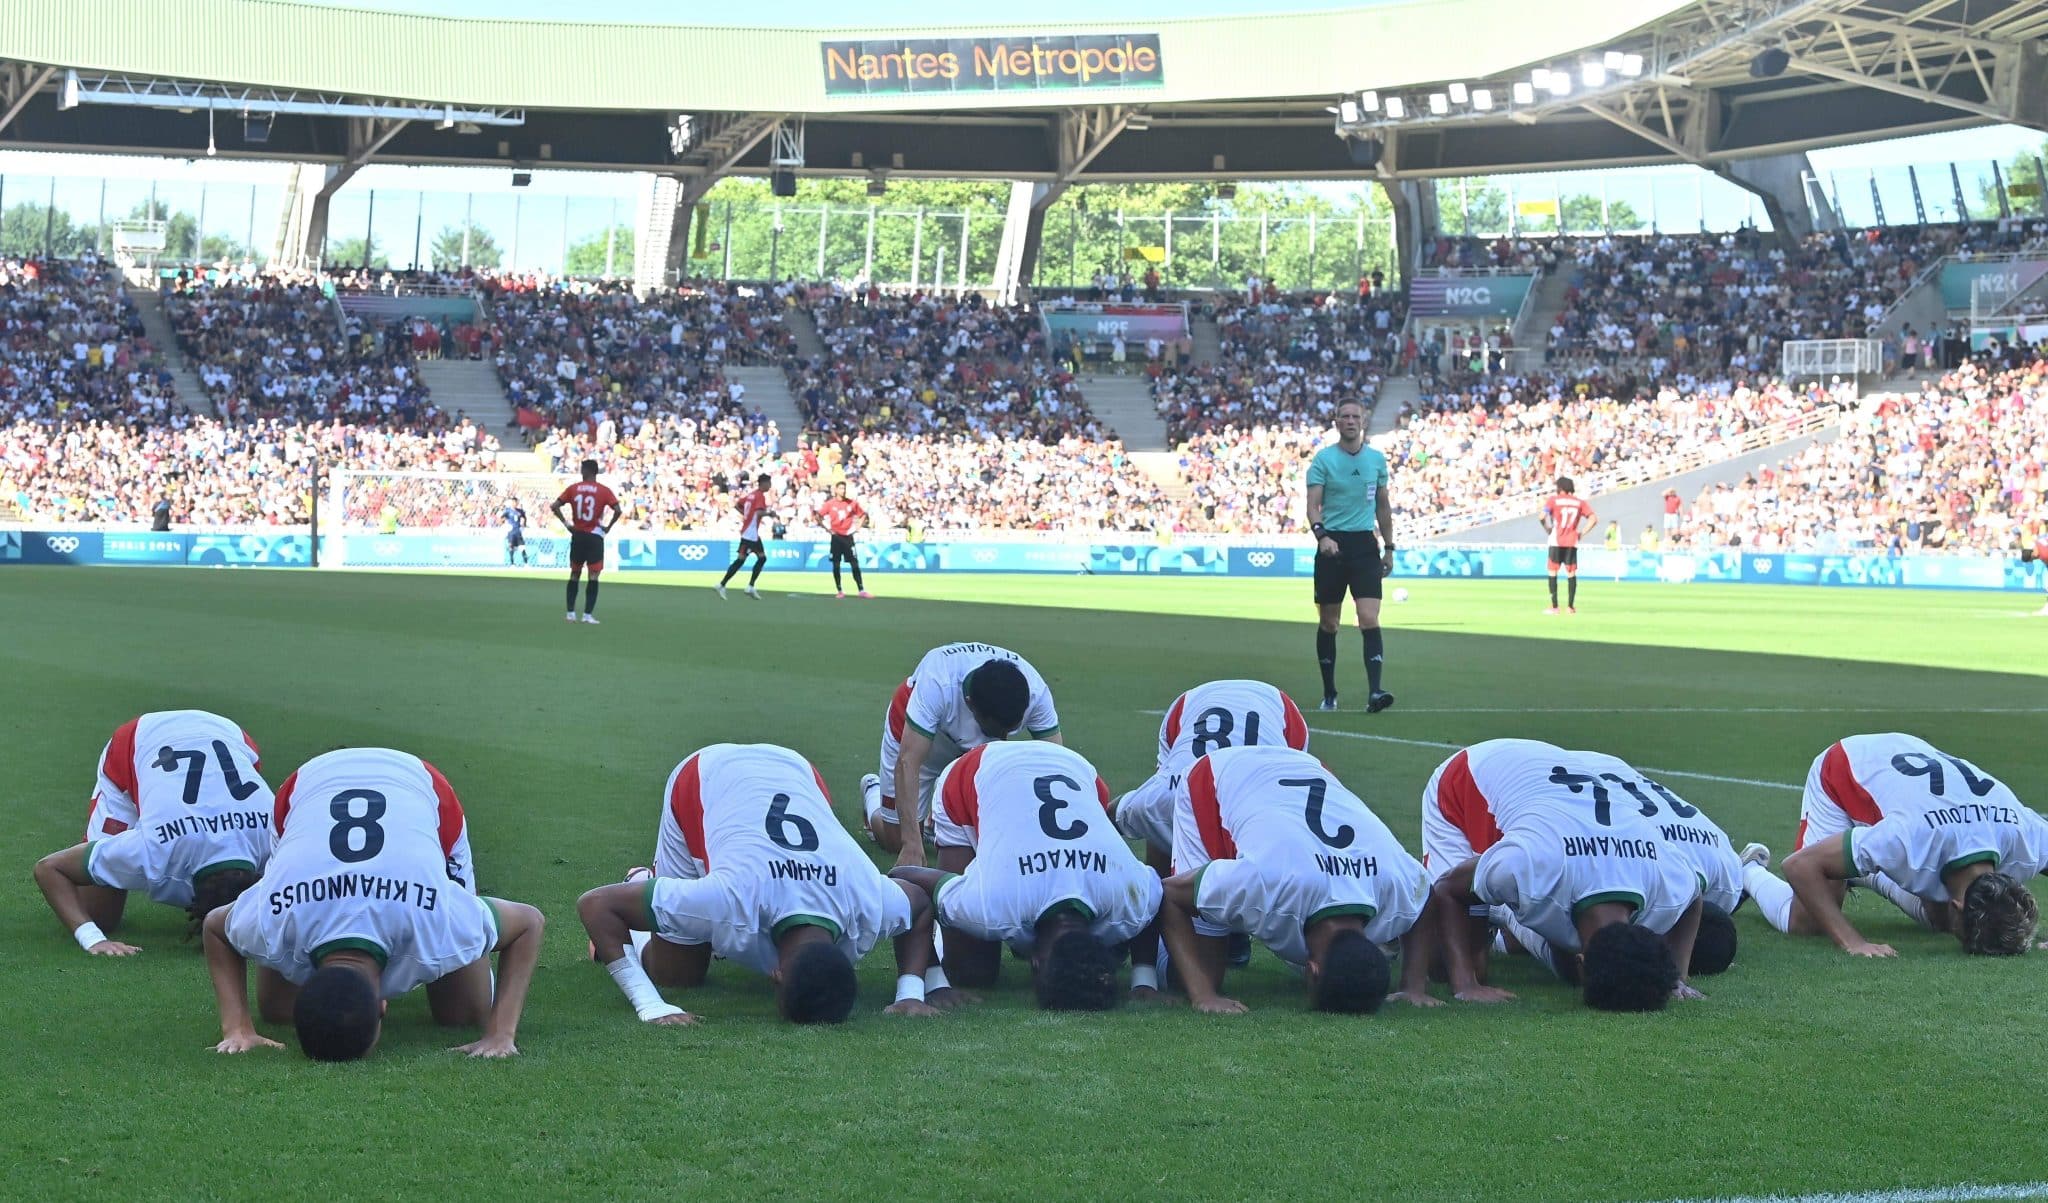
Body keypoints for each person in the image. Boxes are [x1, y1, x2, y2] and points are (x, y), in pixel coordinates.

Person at [204, 748, 545, 1059]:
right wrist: (236, 1027)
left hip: (421, 786)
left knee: (464, 1013)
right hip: (308, 790)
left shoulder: (436, 920)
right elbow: (215, 927)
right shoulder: (275, 919)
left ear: (383, 1005)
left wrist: (501, 1032)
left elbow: (528, 923)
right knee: (278, 1009)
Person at [577, 743, 943, 1026]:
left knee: (696, 938)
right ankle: (641, 880)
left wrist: (911, 992)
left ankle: (661, 904)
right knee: (676, 975)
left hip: (798, 771)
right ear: (777, 975)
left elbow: (920, 905)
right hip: (703, 777)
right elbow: (595, 905)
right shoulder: (730, 902)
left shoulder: (871, 901)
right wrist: (651, 1005)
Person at [1421, 738, 1706, 1010]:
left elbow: (1694, 897)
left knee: (1495, 908)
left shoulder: (1667, 885)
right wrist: (1465, 985)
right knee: (1443, 965)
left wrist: (1675, 978)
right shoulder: (1533, 866)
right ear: (1581, 962)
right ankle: (1402, 917)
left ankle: (1504, 911)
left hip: (1554, 779)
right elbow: (1448, 889)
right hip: (1473, 775)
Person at [1159, 745, 1440, 1014]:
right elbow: (1171, 894)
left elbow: (1426, 894)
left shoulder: (1394, 886)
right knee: (1199, 971)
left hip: (1309, 768)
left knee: (1219, 932)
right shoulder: (1267, 884)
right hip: (1218, 775)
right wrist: (1202, 994)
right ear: (1312, 969)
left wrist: (1413, 986)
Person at [889, 741, 1160, 1010]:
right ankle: (874, 793)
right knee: (968, 971)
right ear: (1035, 962)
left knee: (976, 954)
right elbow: (904, 878)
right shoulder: (990, 901)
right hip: (974, 772)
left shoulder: (1131, 898)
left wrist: (1144, 981)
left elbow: (1157, 895)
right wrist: (936, 982)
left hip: (1074, 766)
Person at [1738, 734, 2046, 957]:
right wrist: (1853, 942)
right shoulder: (1908, 839)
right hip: (1845, 769)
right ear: (1959, 905)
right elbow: (1799, 866)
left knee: (1940, 920)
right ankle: (1748, 871)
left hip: (1908, 765)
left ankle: (1857, 869)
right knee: (1806, 921)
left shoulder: (2024, 836)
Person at [33, 709, 273, 956]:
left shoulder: (277, 840)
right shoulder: (153, 848)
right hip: (137, 741)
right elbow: (49, 868)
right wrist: (93, 939)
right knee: (99, 915)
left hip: (229, 733)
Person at [859, 642, 1062, 867]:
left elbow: (1057, 764)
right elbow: (908, 761)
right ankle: (873, 791)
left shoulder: (1035, 692)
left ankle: (938, 816)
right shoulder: (938, 681)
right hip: (917, 735)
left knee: (981, 835)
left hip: (973, 752)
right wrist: (910, 845)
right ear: (969, 704)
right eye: (996, 731)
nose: (1003, 738)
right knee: (895, 839)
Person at [1304, 398, 1395, 714]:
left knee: (1369, 616)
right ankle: (1329, 693)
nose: (1351, 420)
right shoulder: (1323, 460)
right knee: (1329, 623)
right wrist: (1322, 535)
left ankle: (1375, 692)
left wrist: (1390, 546)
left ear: (1364, 421)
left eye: (1356, 416)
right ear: (1337, 422)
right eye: (1345, 416)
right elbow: (1313, 505)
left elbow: (1383, 506)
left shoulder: (1376, 460)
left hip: (1364, 547)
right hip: (1332, 546)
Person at [551, 459, 619, 625]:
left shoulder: (573, 488)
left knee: (575, 574)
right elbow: (617, 510)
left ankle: (570, 614)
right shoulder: (604, 491)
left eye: (583, 470)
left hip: (578, 535)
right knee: (593, 575)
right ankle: (587, 615)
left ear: (588, 471)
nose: (581, 472)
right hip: (595, 536)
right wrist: (608, 527)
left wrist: (567, 525)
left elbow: (554, 506)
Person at [1539, 476, 1595, 614]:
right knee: (1571, 573)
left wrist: (1546, 528)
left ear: (1560, 488)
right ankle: (1570, 607)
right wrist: (1581, 533)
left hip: (1556, 540)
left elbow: (1541, 516)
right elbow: (1593, 518)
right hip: (1572, 540)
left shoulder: (1553, 500)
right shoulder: (1579, 502)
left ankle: (1555, 607)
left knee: (1553, 572)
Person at [717, 473, 776, 600]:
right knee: (744, 560)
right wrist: (769, 514)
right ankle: (725, 584)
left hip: (750, 532)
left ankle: (747, 586)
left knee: (758, 558)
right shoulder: (759, 496)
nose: (770, 486)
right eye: (769, 483)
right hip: (750, 534)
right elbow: (759, 512)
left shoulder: (751, 495)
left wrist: (747, 515)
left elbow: (738, 505)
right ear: (764, 483)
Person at [817, 481, 871, 599]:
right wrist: (828, 529)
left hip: (848, 537)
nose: (843, 490)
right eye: (841, 488)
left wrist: (858, 527)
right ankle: (840, 590)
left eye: (844, 488)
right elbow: (818, 516)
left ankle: (861, 589)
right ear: (836, 490)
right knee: (836, 565)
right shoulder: (830, 504)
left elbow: (863, 515)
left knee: (854, 563)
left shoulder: (852, 503)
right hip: (836, 537)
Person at [502, 501, 532, 567]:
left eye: (515, 503)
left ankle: (526, 564)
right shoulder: (507, 511)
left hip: (518, 532)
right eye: (513, 502)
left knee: (522, 548)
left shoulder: (520, 511)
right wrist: (505, 525)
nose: (514, 504)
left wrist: (523, 524)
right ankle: (512, 564)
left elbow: (524, 518)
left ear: (517, 504)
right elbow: (502, 519)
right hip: (511, 533)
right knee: (511, 547)